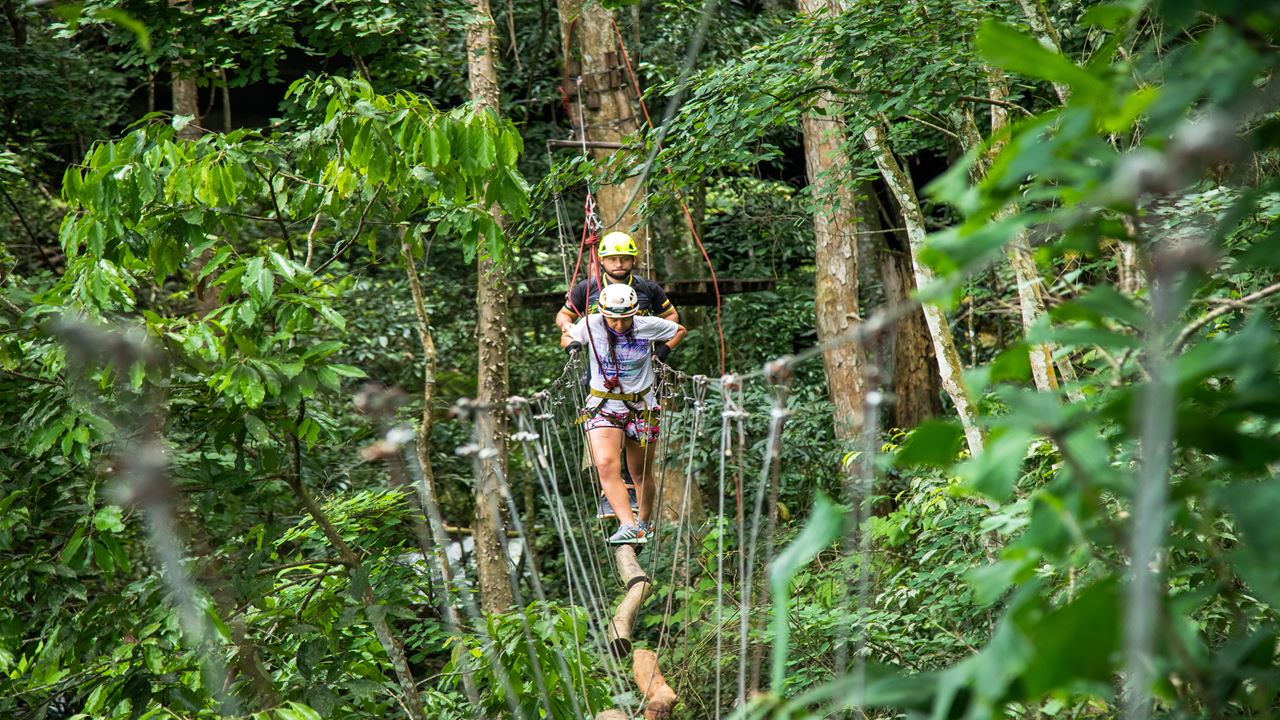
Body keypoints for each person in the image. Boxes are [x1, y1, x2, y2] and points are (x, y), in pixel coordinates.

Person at [555, 230, 679, 519]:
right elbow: (565, 315)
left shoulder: (647, 289)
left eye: (624, 258)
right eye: (613, 258)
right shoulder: (587, 288)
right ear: (602, 261)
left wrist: (662, 349)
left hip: (640, 376)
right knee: (605, 447)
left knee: (637, 449)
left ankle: (634, 496)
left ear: (633, 260)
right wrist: (569, 333)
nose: (619, 263)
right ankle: (611, 495)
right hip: (599, 375)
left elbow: (673, 319)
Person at [562, 283, 686, 544]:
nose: (619, 325)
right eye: (613, 319)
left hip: (641, 408)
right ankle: (627, 525)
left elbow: (679, 330)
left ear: (634, 313)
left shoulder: (647, 325)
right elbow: (568, 335)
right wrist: (571, 346)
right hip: (603, 406)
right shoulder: (591, 324)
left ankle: (643, 523)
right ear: (603, 314)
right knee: (605, 464)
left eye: (625, 319)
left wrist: (663, 350)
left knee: (640, 473)